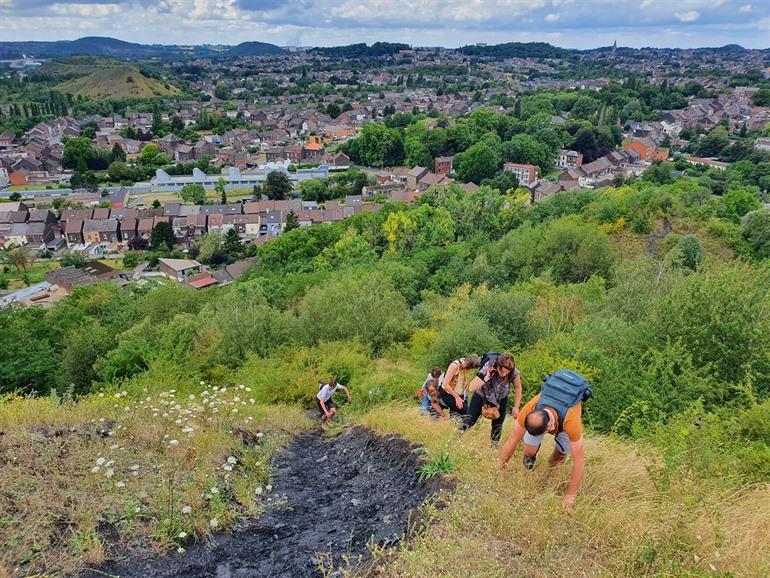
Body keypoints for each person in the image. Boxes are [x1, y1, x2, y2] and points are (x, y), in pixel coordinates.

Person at [498, 373, 588, 514]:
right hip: (544, 419)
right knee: (529, 451)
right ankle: (528, 469)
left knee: (559, 455)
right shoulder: (529, 410)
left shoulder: (571, 422)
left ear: (549, 428)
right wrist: (500, 469)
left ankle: (549, 475)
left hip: (564, 419)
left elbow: (579, 461)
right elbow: (512, 440)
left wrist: (570, 496)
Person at [461, 352, 522, 444]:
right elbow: (471, 388)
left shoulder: (514, 372)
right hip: (482, 396)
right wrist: (486, 377)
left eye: (507, 372)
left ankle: (494, 447)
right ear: (498, 366)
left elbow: (518, 387)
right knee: (469, 420)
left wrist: (516, 406)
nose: (505, 375)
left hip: (501, 399)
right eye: (502, 371)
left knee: (498, 425)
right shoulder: (488, 367)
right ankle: (455, 438)